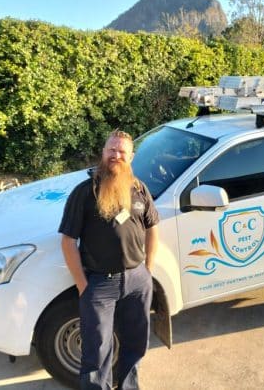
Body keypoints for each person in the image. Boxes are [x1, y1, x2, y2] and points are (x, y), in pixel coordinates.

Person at [58, 130, 159, 390]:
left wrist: (147, 271)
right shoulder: (85, 192)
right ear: (103, 153)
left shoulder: (139, 188)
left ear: (130, 157)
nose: (116, 155)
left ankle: (128, 386)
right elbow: (68, 241)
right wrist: (83, 285)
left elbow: (152, 228)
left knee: (136, 343)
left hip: (137, 279)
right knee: (97, 350)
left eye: (121, 151)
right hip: (100, 284)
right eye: (111, 150)